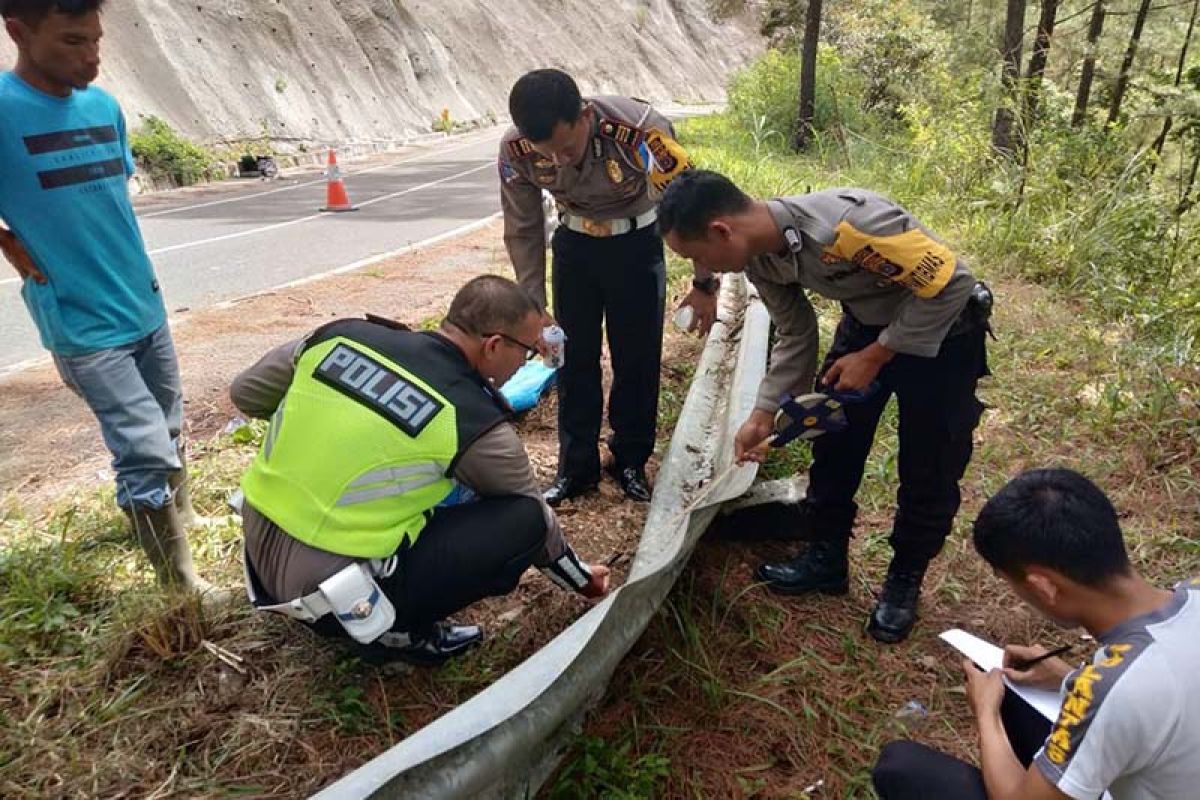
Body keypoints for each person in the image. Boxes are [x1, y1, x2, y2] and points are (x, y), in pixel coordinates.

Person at [659, 170, 991, 643]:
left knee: (929, 464)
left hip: (945, 338)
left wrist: (878, 355)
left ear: (720, 231)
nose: (703, 268)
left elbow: (954, 283)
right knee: (832, 441)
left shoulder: (850, 226)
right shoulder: (758, 257)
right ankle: (826, 557)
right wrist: (762, 412)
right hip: (866, 328)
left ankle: (903, 582)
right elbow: (795, 331)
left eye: (696, 257)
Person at [230, 276, 612, 666]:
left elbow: (246, 393)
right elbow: (538, 520)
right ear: (494, 346)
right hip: (337, 600)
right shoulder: (472, 421)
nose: (525, 363)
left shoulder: (340, 337)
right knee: (522, 518)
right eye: (527, 352)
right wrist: (582, 580)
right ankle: (399, 635)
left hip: (258, 558)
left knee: (449, 482)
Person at [0, 0, 208, 590]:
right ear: (18, 31)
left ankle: (184, 515)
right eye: (71, 42)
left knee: (167, 422)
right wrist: (7, 242)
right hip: (84, 325)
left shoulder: (103, 106)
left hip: (143, 303)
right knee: (142, 447)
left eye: (95, 40)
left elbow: (107, 201)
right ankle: (179, 585)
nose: (91, 57)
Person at [873, 468, 1200, 800]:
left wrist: (986, 713)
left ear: (1044, 586)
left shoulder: (1111, 694)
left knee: (901, 768)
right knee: (1016, 699)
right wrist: (1068, 679)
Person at [498, 68, 709, 507]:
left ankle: (630, 459)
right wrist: (534, 307)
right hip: (574, 248)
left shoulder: (641, 132)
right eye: (547, 153)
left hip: (636, 244)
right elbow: (522, 227)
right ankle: (576, 468)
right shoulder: (515, 149)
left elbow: (690, 211)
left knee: (637, 357)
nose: (558, 161)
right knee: (570, 357)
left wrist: (704, 280)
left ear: (586, 116)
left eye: (566, 148)